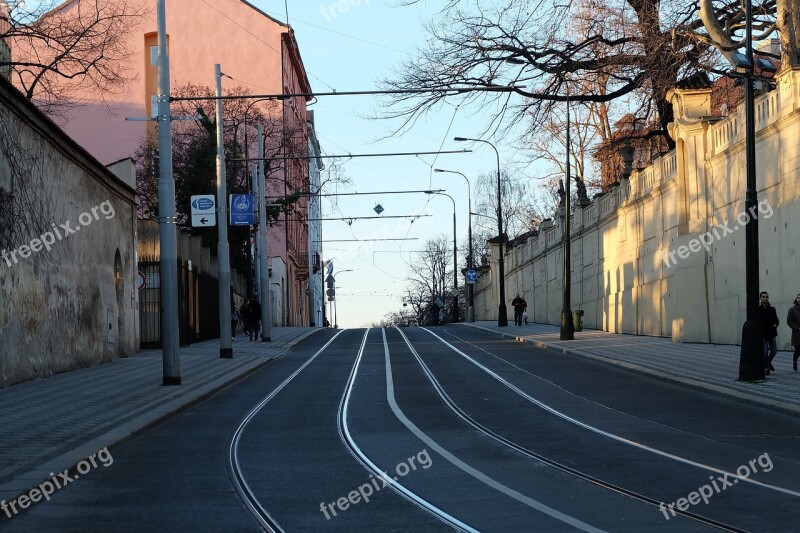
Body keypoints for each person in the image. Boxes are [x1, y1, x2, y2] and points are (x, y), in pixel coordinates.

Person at [758, 291, 779, 375]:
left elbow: (776, 320)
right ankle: (767, 368)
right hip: (762, 334)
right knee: (765, 351)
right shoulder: (758, 310)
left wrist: (775, 324)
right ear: (760, 298)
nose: (765, 298)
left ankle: (768, 362)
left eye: (766, 297)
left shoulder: (772, 309)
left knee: (774, 350)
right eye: (763, 297)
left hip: (771, 333)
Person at [788, 293, 800, 371]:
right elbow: (789, 321)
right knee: (798, 350)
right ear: (796, 299)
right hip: (797, 333)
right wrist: (797, 328)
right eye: (798, 298)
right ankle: (795, 361)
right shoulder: (792, 309)